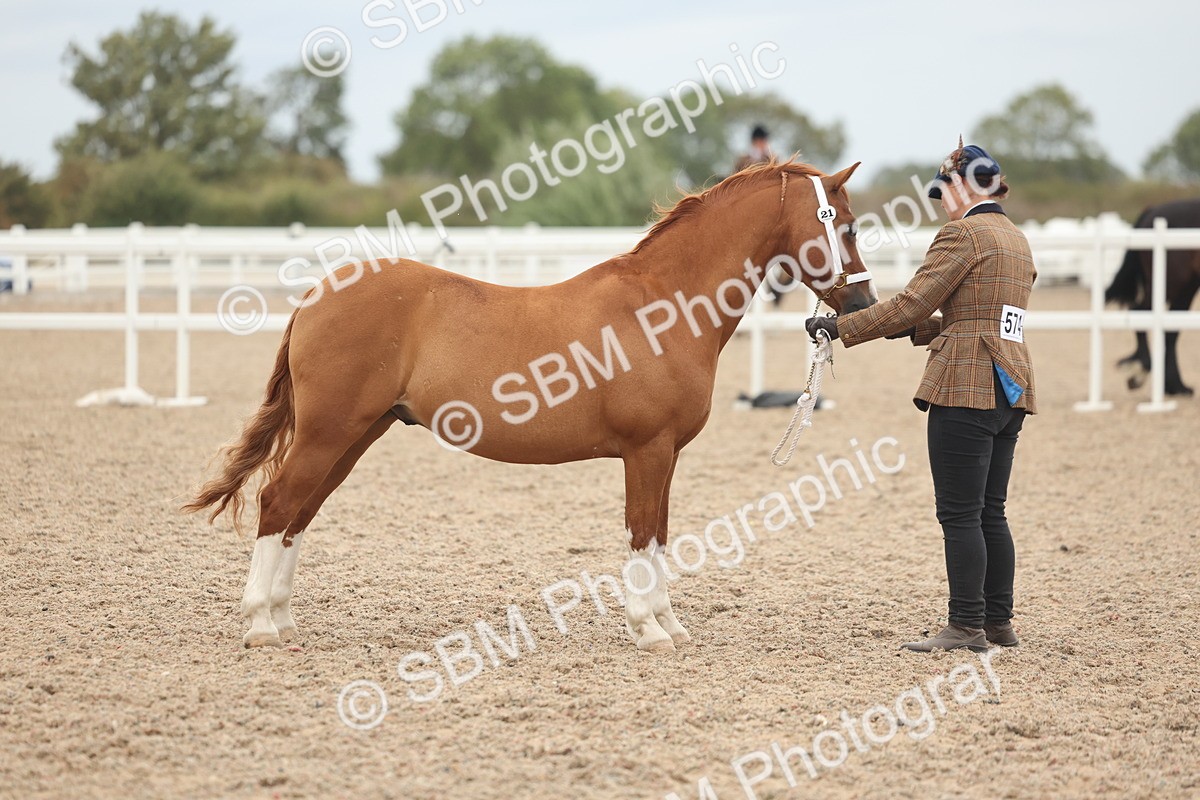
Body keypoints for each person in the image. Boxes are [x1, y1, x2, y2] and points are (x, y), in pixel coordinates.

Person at [805, 141, 1037, 653]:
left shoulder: (964, 234)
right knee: (991, 510)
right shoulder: (1016, 239)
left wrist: (840, 327)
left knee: (958, 513)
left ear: (960, 185)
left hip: (965, 384)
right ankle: (999, 621)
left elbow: (913, 301)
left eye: (942, 191)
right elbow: (984, 317)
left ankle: (965, 625)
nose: (940, 203)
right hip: (1011, 385)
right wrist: (916, 329)